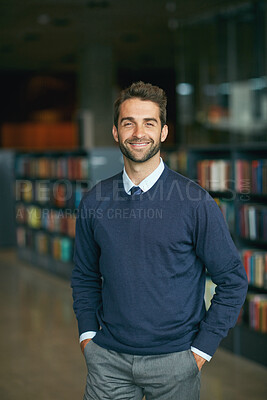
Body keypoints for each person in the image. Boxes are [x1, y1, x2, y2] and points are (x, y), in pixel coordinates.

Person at [71, 81, 248, 400]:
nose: (139, 132)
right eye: (129, 123)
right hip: (107, 362)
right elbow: (84, 277)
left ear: (164, 132)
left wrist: (200, 352)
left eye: (149, 123)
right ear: (116, 132)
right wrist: (88, 336)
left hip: (175, 364)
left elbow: (233, 281)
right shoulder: (95, 202)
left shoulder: (196, 202)